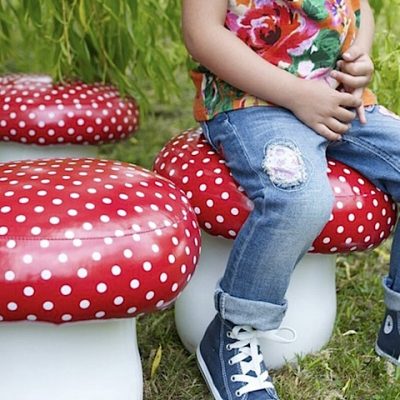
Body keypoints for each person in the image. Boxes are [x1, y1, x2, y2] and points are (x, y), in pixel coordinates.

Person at [182, 0, 400, 399]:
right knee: (299, 199)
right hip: (252, 103)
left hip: (335, 98)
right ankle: (233, 331)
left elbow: (360, 8)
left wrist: (359, 58)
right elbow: (202, 33)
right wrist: (298, 95)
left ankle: (399, 322)